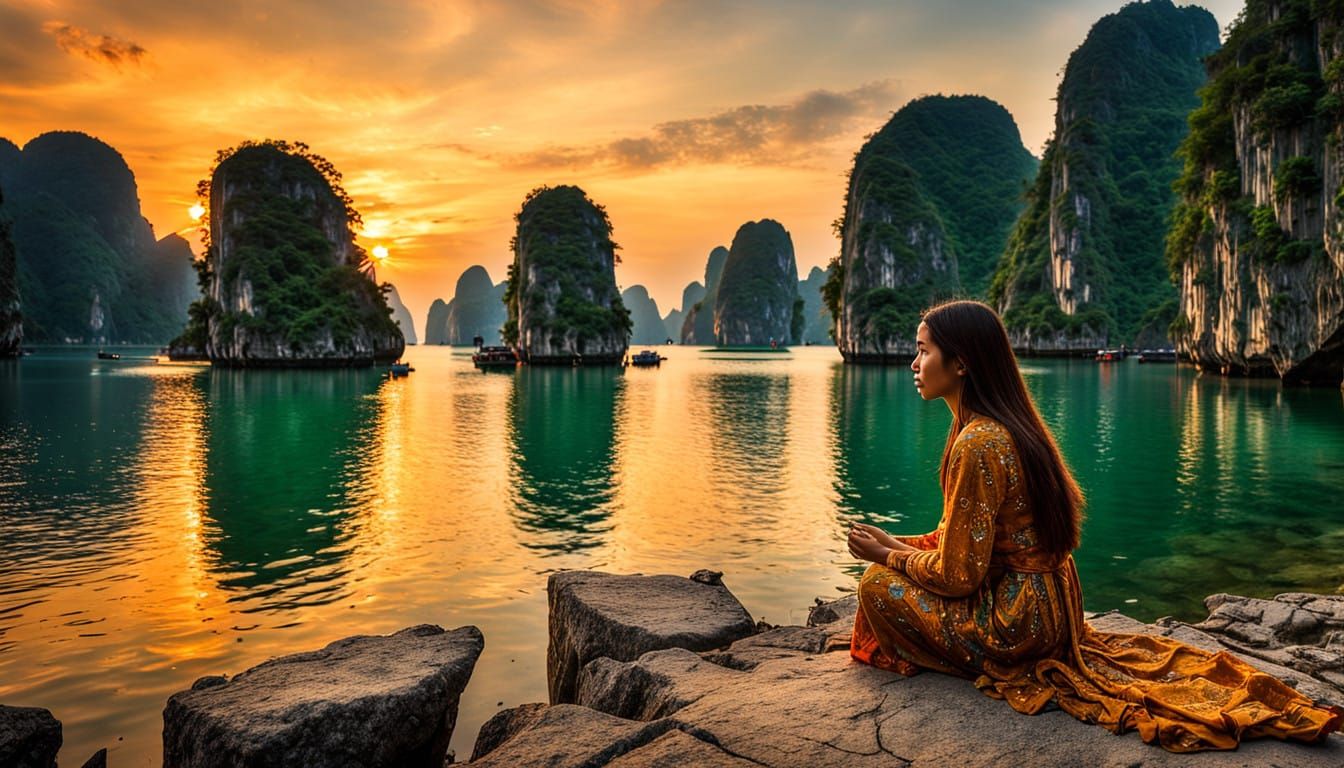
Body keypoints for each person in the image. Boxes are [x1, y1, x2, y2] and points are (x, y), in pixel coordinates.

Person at [845, 299, 1341, 753]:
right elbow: (966, 541)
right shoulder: (1001, 426)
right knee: (886, 571)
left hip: (1016, 623)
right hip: (1052, 605)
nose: (913, 364)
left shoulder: (978, 443)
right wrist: (894, 542)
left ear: (961, 363)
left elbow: (959, 577)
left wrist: (888, 558)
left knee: (875, 585)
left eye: (923, 351)